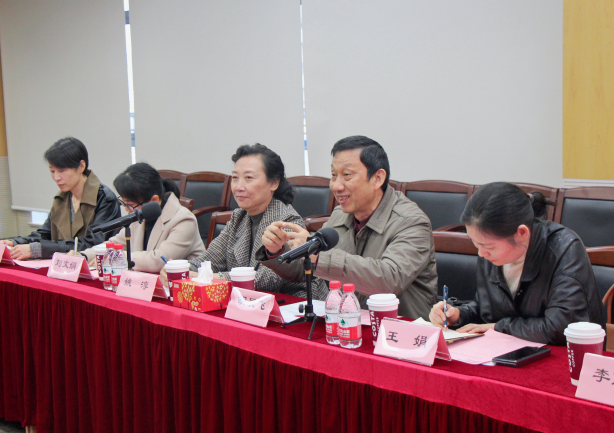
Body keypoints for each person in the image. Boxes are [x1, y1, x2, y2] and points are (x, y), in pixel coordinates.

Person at [259, 136, 438, 319]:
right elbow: (306, 270)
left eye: (347, 175)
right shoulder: (340, 214)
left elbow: (388, 281)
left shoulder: (411, 222)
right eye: (333, 175)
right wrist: (277, 251)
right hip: (351, 323)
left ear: (377, 178)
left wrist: (318, 255)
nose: (336, 186)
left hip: (402, 329)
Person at [429, 182, 606, 345]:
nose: (481, 253)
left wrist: (500, 327)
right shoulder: (491, 252)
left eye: (488, 246)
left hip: (562, 357)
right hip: (505, 350)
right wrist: (458, 314)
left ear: (521, 233)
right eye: (475, 244)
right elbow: (487, 309)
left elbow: (560, 328)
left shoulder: (564, 248)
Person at [160, 144, 327, 299]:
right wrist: (181, 270)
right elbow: (210, 260)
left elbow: (267, 280)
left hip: (293, 305)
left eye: (248, 178)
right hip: (248, 303)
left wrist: (207, 278)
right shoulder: (238, 217)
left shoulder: (287, 221)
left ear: (274, 183)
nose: (238, 187)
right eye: (235, 178)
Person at [1, 137, 121, 259]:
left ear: (81, 166)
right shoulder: (62, 198)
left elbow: (93, 244)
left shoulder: (104, 198)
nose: (56, 177)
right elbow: (45, 233)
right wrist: (16, 243)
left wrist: (39, 249)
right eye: (52, 171)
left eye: (61, 171)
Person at [80, 163, 205, 273]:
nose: (127, 209)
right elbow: (115, 244)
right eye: (124, 203)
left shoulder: (183, 219)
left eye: (130, 204)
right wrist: (83, 256)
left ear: (154, 200)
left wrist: (115, 258)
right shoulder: (140, 215)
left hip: (183, 286)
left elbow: (159, 260)